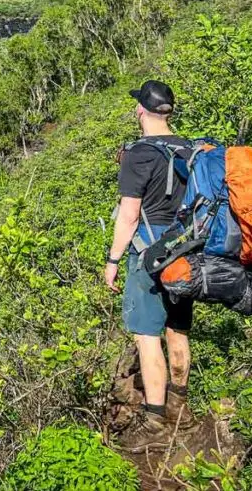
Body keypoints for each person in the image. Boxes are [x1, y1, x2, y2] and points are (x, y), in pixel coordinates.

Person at [105, 80, 197, 452]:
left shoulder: (138, 154)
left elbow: (128, 217)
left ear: (140, 110)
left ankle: (155, 420)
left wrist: (112, 261)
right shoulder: (191, 150)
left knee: (147, 336)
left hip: (149, 252)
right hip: (187, 251)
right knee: (177, 329)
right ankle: (180, 408)